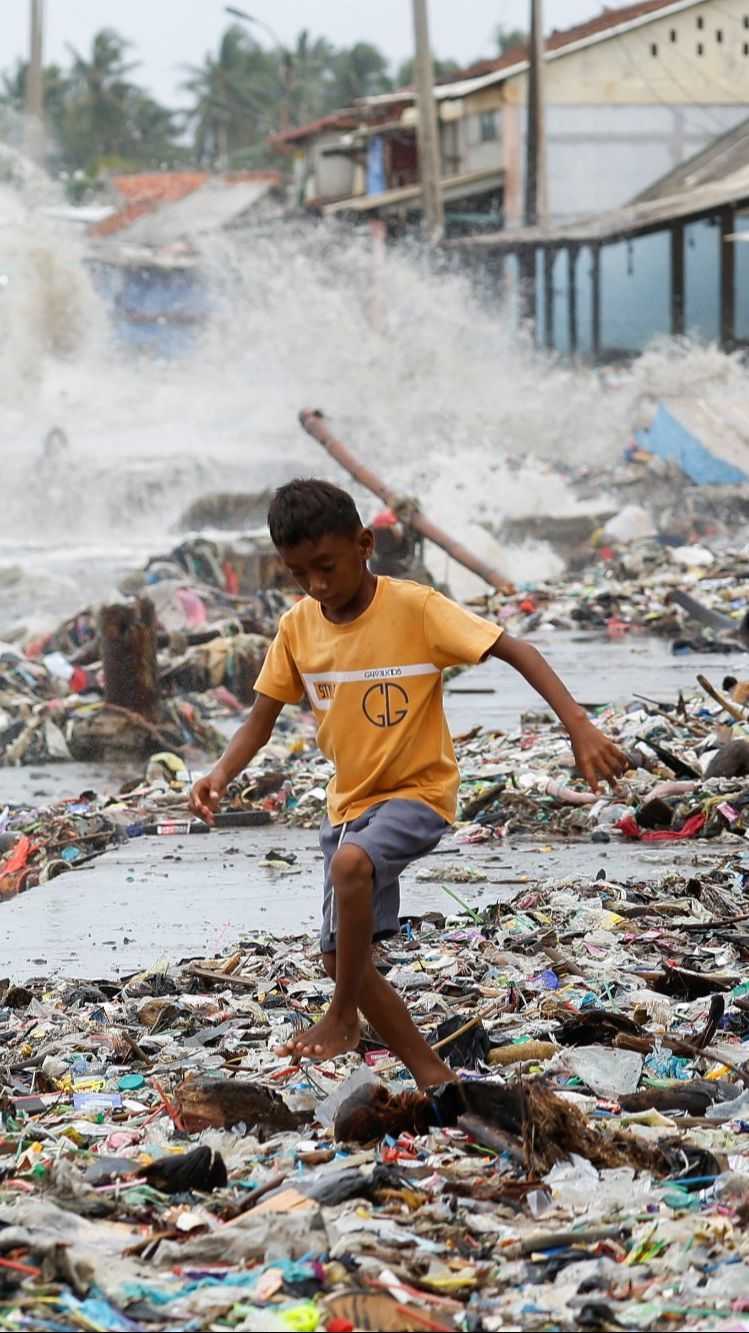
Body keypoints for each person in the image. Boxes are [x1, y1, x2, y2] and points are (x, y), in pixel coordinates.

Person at [189, 479, 628, 1088]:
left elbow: (515, 648)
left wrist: (579, 727)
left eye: (326, 566)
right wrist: (218, 773)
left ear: (365, 544)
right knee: (339, 956)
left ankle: (342, 1019)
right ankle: (433, 1076)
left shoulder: (415, 609)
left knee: (349, 868)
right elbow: (260, 719)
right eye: (298, 573)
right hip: (348, 804)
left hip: (420, 793)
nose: (316, 585)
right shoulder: (298, 628)